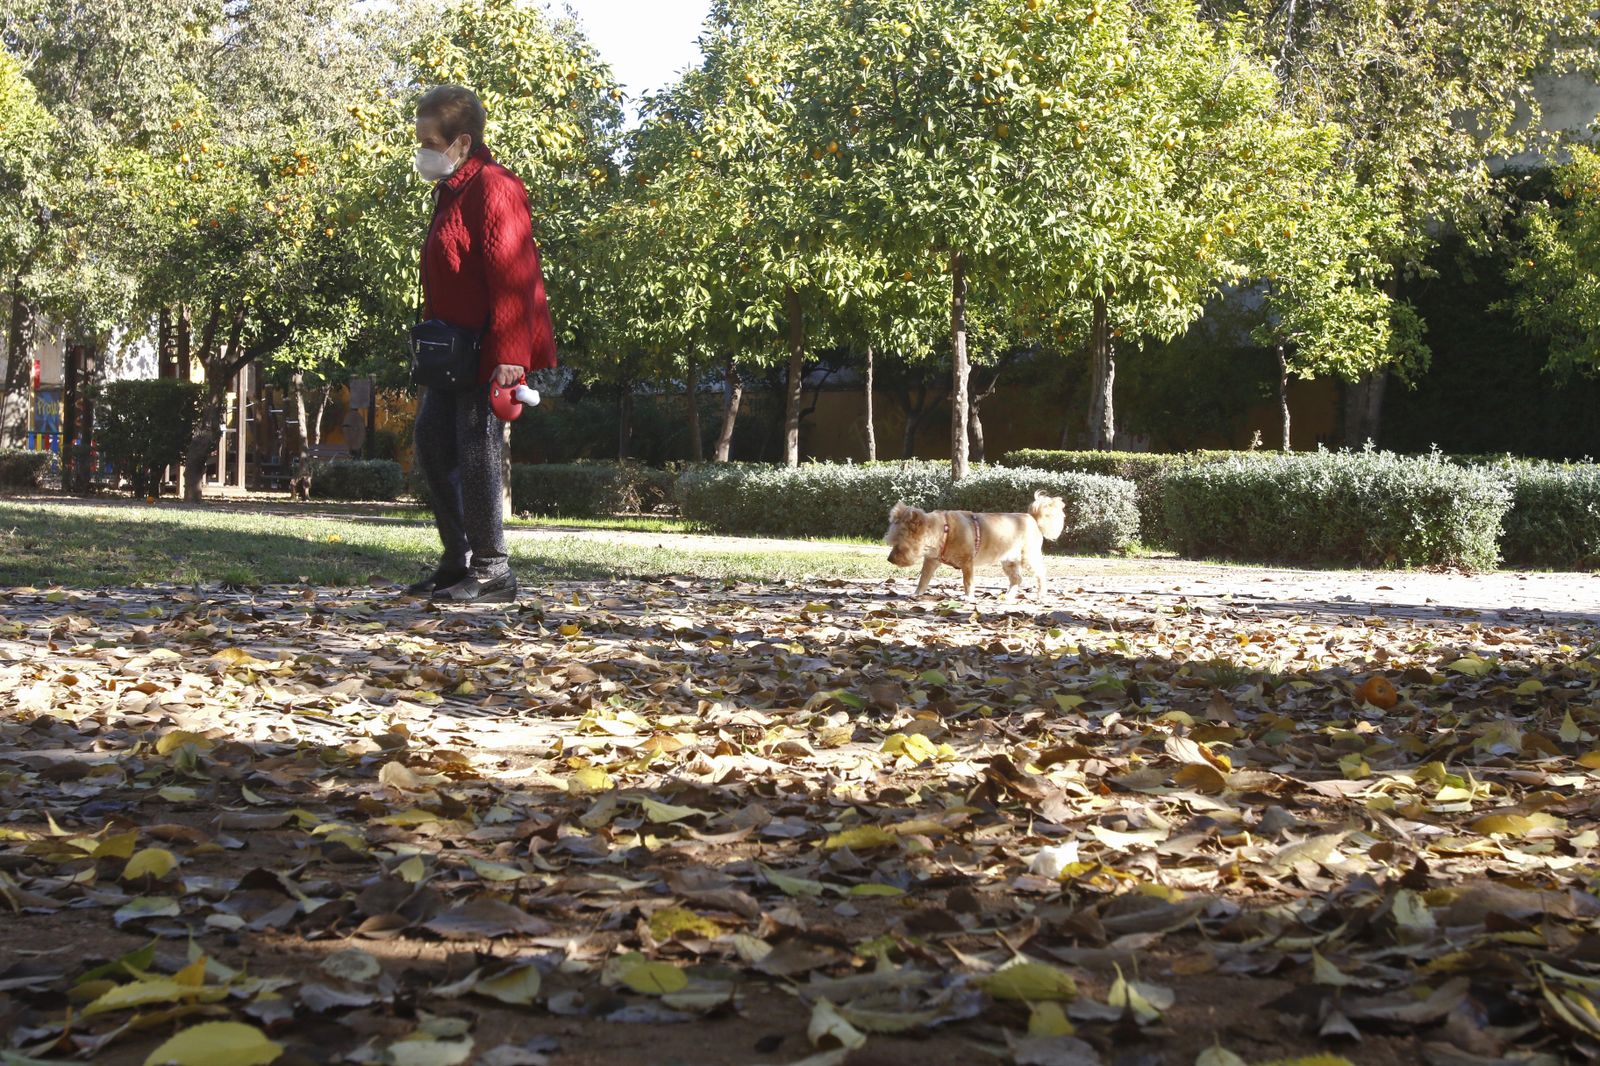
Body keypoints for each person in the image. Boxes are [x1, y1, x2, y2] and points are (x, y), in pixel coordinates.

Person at [407, 84, 557, 603]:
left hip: (489, 350)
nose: (423, 150)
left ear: (462, 141)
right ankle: (459, 560)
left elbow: (513, 277)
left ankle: (494, 570)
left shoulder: (495, 187)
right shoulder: (450, 190)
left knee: (476, 453)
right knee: (431, 444)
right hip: (451, 353)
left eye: (430, 140)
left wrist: (511, 358)